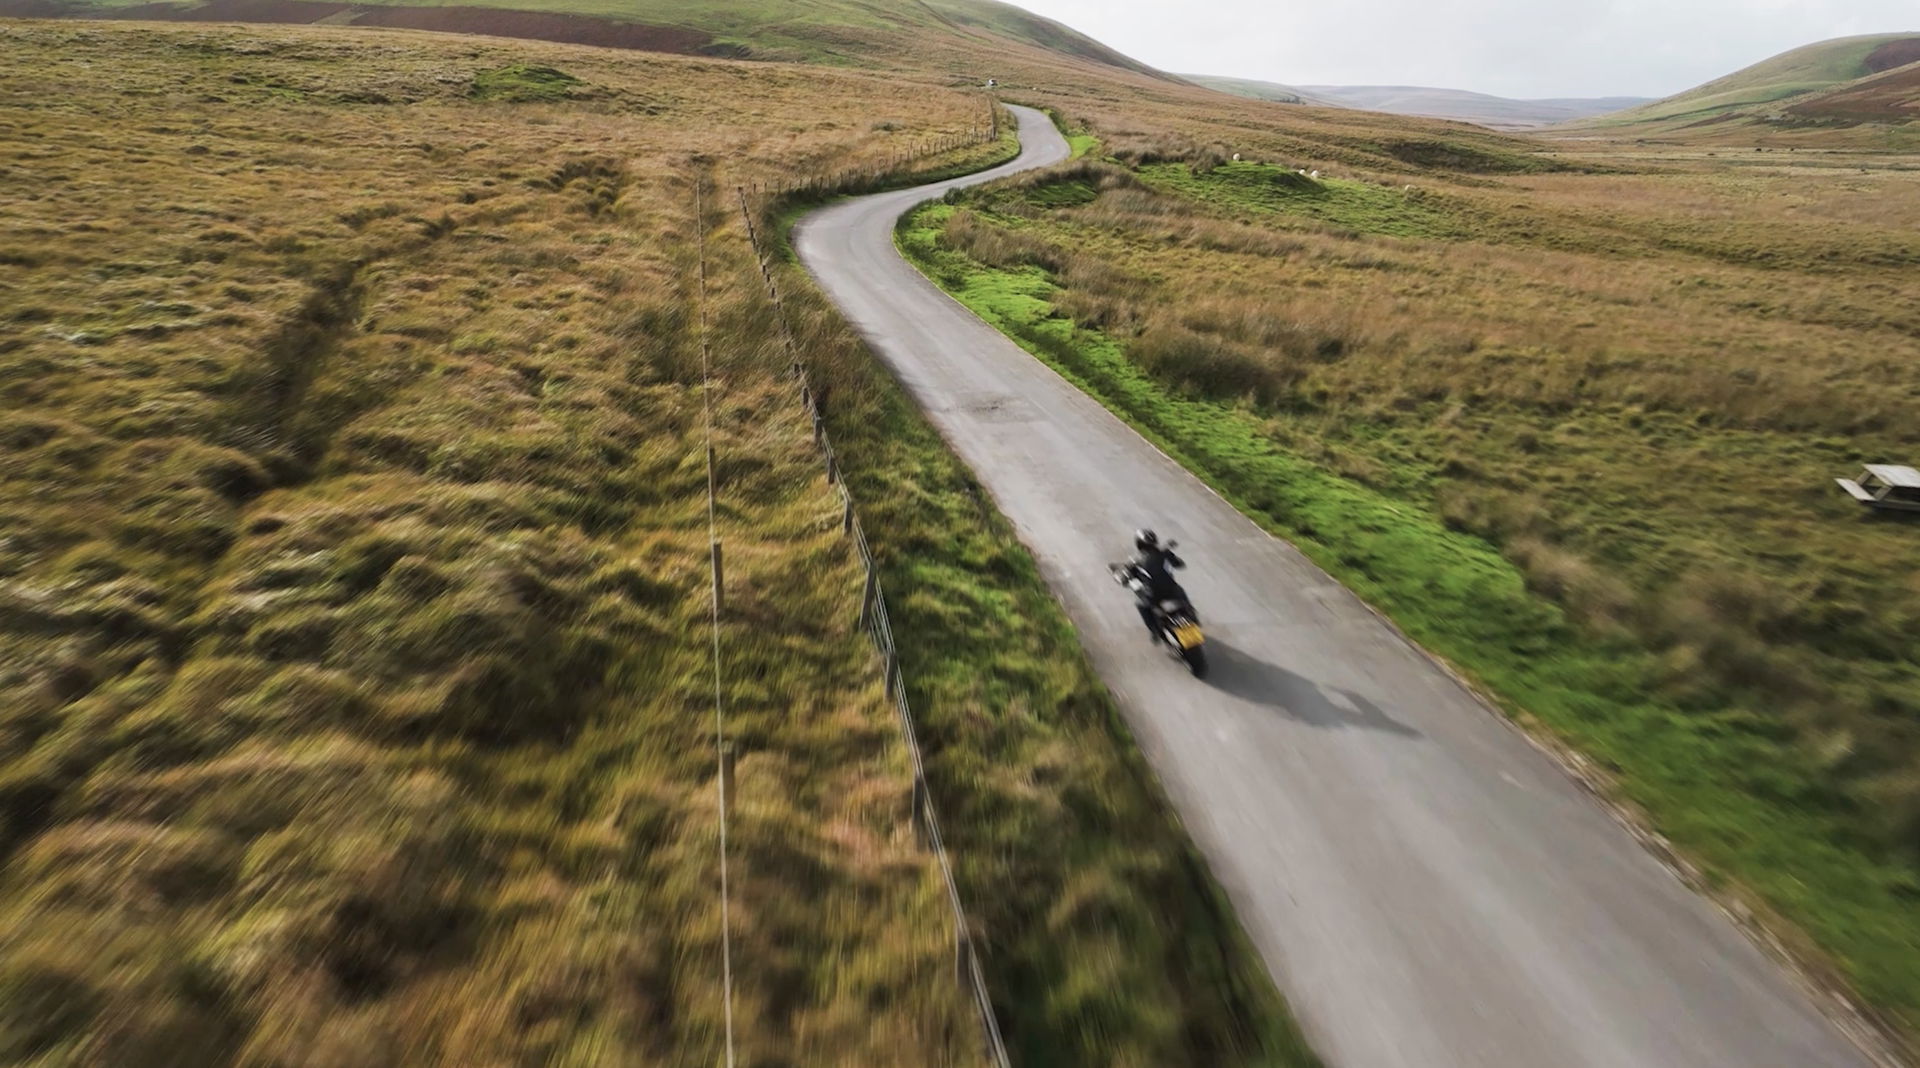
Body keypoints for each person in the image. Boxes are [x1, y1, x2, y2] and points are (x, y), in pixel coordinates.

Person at [1126, 528, 1190, 640]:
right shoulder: (1165, 553)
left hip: (1153, 595)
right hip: (1172, 590)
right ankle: (1191, 614)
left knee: (1140, 604)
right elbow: (1180, 564)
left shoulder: (1136, 561)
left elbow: (1127, 575)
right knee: (1180, 591)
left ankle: (1154, 631)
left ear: (1139, 544)